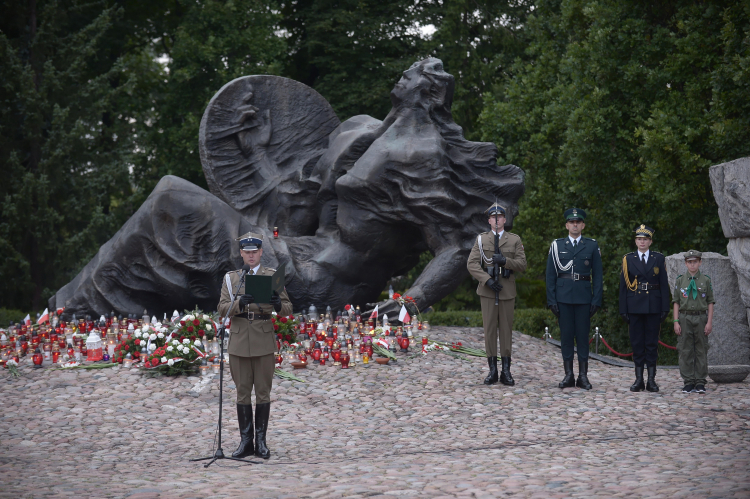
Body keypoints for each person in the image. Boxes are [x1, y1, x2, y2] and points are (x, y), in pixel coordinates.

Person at [217, 231, 293, 459]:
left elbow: (289, 308)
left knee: (262, 392)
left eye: (255, 252)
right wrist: (240, 302)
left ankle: (261, 442)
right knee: (242, 393)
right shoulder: (231, 279)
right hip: (239, 339)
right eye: (247, 252)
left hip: (263, 338)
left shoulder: (272, 276)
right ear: (241, 253)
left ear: (261, 252)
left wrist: (278, 304)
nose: (251, 256)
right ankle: (246, 441)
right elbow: (221, 308)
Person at [467, 203, 527, 385]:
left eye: (500, 217)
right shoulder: (481, 239)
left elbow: (522, 264)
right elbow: (472, 264)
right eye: (493, 217)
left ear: (505, 219)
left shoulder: (514, 240)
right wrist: (487, 280)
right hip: (487, 290)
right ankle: (492, 369)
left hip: (507, 290)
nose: (497, 220)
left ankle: (506, 371)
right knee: (490, 330)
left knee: (506, 331)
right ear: (489, 220)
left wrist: (506, 261)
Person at [545, 208, 603, 390]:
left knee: (583, 338)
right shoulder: (557, 245)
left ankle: (583, 376)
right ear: (566, 225)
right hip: (563, 297)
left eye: (578, 222)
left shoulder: (592, 246)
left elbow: (599, 276)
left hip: (584, 297)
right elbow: (550, 275)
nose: (575, 224)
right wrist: (551, 299)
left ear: (583, 225)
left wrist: (596, 300)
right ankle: (568, 374)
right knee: (567, 337)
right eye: (572, 222)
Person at [619, 224, 670, 392]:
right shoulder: (628, 259)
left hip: (653, 305)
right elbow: (623, 287)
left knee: (651, 344)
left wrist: (665, 307)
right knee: (637, 343)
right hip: (634, 305)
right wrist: (623, 309)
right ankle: (638, 379)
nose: (642, 242)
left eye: (645, 239)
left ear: (650, 241)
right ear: (635, 241)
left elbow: (663, 284)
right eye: (639, 239)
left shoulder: (659, 258)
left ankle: (652, 381)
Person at [672, 250, 714, 394]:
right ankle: (688, 381)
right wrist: (676, 321)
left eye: (695, 261)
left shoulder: (706, 280)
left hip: (701, 317)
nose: (692, 264)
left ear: (700, 262)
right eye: (689, 262)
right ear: (685, 263)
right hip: (684, 317)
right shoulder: (680, 280)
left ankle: (700, 381)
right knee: (685, 349)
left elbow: (710, 302)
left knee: (701, 349)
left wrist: (709, 322)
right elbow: (676, 302)